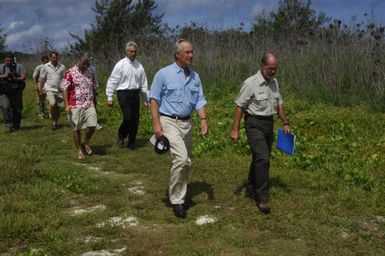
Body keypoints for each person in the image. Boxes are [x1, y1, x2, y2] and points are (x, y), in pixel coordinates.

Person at [149, 39, 208, 218]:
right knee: (181, 159)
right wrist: (156, 123)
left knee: (186, 161)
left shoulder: (195, 77)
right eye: (187, 52)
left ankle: (180, 194)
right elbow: (154, 99)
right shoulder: (163, 74)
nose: (191, 55)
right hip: (169, 122)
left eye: (192, 52)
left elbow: (199, 99)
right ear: (177, 54)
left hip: (187, 123)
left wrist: (203, 119)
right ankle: (176, 200)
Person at [230, 52, 290, 214]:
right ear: (262, 66)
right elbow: (239, 107)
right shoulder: (250, 83)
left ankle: (250, 186)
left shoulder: (274, 83)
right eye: (270, 68)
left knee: (260, 157)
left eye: (275, 69)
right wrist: (235, 129)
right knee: (263, 158)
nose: (273, 71)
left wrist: (285, 123)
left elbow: (280, 104)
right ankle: (262, 198)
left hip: (268, 123)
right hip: (254, 123)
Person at [106, 41, 149, 150]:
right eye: (131, 51)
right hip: (123, 93)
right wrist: (109, 97)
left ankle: (132, 142)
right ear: (126, 52)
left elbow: (143, 83)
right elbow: (112, 80)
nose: (133, 54)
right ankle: (121, 134)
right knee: (128, 117)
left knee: (135, 119)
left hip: (135, 93)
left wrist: (146, 99)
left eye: (135, 52)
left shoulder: (139, 66)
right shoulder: (120, 65)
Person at [61, 54, 98, 160]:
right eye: (84, 63)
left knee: (92, 125)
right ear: (78, 60)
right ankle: (79, 150)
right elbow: (64, 88)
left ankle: (85, 142)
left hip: (89, 103)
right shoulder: (70, 72)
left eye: (88, 63)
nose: (86, 65)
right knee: (76, 128)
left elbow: (95, 86)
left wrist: (95, 100)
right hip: (75, 104)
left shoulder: (90, 71)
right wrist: (67, 104)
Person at [0, 53, 27, 132]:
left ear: (13, 60)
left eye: (10, 60)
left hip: (16, 91)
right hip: (4, 91)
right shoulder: (1, 67)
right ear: (4, 60)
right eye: (7, 60)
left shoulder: (19, 66)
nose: (8, 62)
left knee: (17, 109)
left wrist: (15, 78)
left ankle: (16, 125)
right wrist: (4, 76)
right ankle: (8, 126)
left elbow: (24, 76)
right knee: (5, 107)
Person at [40, 51, 66, 130]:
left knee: (57, 107)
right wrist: (41, 89)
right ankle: (52, 117)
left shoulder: (62, 66)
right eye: (53, 57)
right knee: (52, 104)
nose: (55, 59)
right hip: (49, 88)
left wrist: (65, 88)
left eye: (56, 57)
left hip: (59, 89)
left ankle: (55, 123)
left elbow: (64, 78)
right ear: (50, 57)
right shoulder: (45, 66)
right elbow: (42, 79)